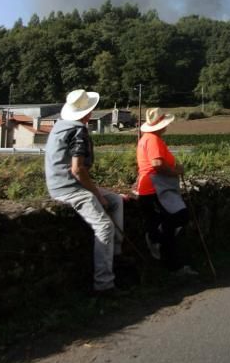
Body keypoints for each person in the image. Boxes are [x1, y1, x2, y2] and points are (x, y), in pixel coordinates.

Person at [45, 89, 129, 295]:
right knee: (104, 227)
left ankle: (115, 254)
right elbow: (78, 170)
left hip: (58, 183)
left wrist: (102, 194)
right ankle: (104, 284)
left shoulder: (60, 127)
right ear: (88, 113)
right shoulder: (78, 131)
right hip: (69, 188)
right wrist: (98, 196)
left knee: (116, 200)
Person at [136, 107, 197, 277]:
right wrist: (176, 171)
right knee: (180, 216)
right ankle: (157, 239)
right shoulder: (154, 139)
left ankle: (170, 262)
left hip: (149, 188)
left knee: (171, 223)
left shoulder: (146, 139)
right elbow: (156, 164)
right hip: (156, 188)